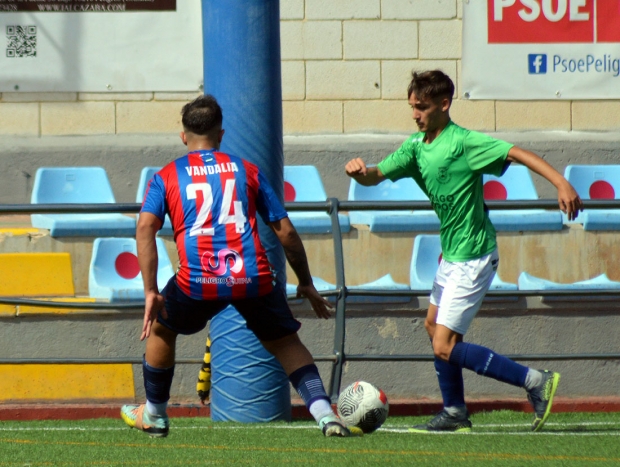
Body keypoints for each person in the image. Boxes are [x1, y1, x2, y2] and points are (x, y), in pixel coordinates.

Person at [345, 70, 583, 433]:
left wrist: (561, 182)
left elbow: (516, 152)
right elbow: (375, 176)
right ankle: (455, 412)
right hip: (452, 256)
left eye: (421, 107)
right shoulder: (415, 146)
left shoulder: (463, 142)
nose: (414, 114)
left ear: (444, 104)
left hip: (474, 256)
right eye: (411, 107)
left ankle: (535, 381)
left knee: (444, 345)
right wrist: (358, 171)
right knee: (432, 327)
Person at [121, 95, 361, 438]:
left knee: (162, 328)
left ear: (183, 136)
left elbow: (145, 227)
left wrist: (150, 291)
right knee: (285, 343)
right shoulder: (247, 170)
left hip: (197, 280)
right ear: (221, 134)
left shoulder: (167, 175)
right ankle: (326, 415)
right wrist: (305, 282)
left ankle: (155, 415)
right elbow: (286, 232)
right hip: (252, 275)